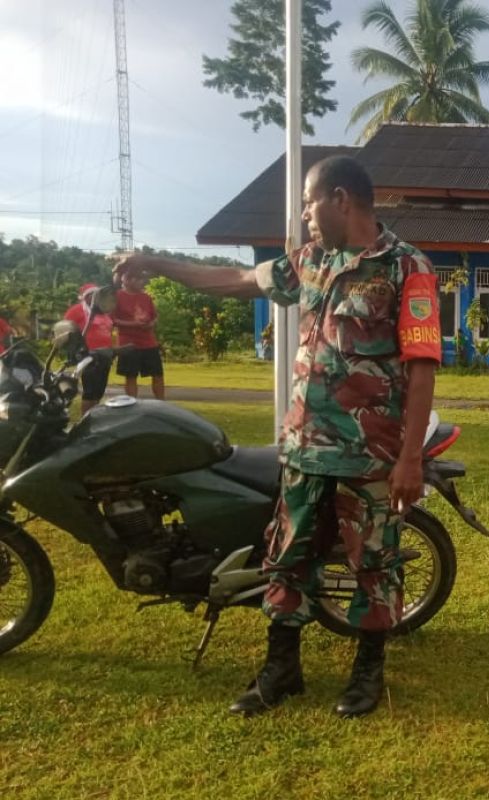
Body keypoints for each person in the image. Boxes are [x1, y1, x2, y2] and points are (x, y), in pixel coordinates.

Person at [113, 154, 440, 718]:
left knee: (374, 565)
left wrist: (410, 458)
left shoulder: (406, 268)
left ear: (341, 199)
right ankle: (281, 669)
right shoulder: (310, 261)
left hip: (369, 457)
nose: (306, 216)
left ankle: (367, 674)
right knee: (285, 560)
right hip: (302, 449)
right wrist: (158, 264)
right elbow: (238, 279)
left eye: (310, 203)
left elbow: (423, 367)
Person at [112, 267, 165, 400]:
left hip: (148, 342)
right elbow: (111, 320)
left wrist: (152, 323)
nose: (142, 282)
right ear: (128, 280)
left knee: (157, 374)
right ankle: (132, 403)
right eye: (139, 279)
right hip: (128, 344)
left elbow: (155, 316)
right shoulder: (117, 296)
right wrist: (132, 324)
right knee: (131, 376)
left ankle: (161, 403)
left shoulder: (146, 297)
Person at [63, 283, 115, 413]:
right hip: (89, 356)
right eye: (90, 295)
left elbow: (109, 330)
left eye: (96, 295)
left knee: (99, 391)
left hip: (105, 355)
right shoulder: (77, 310)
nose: (93, 298)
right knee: (90, 391)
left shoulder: (104, 311)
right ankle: (85, 420)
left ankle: (94, 417)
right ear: (84, 297)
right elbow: (65, 329)